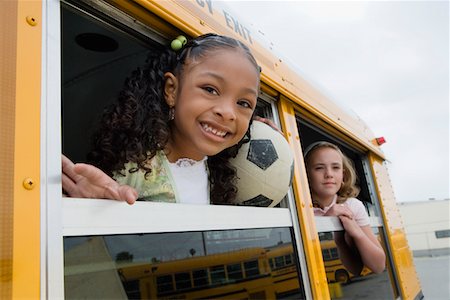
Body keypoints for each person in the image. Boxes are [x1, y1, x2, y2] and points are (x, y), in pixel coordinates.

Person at [62, 33, 261, 206]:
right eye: (210, 90)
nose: (228, 113)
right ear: (171, 90)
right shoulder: (136, 169)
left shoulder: (221, 173)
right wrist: (96, 207)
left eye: (244, 103)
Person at [304, 141, 386, 274]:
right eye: (319, 168)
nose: (329, 174)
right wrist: (327, 221)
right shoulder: (300, 208)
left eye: (335, 168)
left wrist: (354, 233)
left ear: (343, 175)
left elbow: (376, 267)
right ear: (306, 174)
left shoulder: (352, 206)